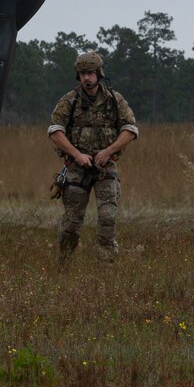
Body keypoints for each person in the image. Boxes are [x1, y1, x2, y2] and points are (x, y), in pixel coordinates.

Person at [48, 50, 140, 263]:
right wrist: (77, 155)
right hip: (76, 170)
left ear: (99, 73)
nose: (86, 78)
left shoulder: (115, 101)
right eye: (82, 74)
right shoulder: (69, 101)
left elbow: (130, 130)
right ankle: (64, 264)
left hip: (106, 168)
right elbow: (55, 131)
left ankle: (105, 267)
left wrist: (108, 151)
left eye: (90, 73)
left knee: (108, 219)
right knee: (71, 223)